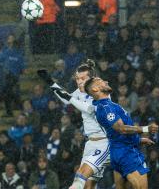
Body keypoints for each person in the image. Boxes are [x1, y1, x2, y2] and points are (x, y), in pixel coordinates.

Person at [38, 60, 109, 189]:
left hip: (105, 142)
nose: (79, 82)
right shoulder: (80, 92)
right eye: (77, 79)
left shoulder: (101, 91)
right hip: (90, 143)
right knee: (89, 183)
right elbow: (66, 99)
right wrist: (50, 82)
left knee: (80, 178)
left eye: (83, 78)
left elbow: (89, 108)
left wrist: (70, 98)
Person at [84, 77, 158, 189]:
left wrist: (138, 140)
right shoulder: (106, 108)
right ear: (95, 89)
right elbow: (121, 129)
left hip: (118, 151)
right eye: (102, 81)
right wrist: (145, 129)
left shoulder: (106, 105)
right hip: (127, 153)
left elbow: (115, 133)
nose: (107, 81)